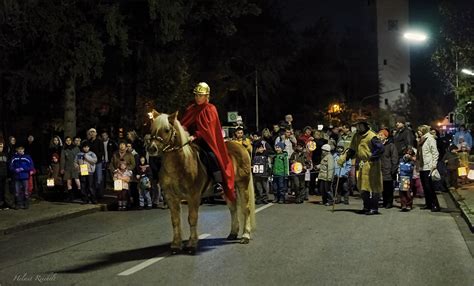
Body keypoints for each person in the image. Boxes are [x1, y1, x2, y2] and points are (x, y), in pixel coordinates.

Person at [180, 82, 235, 199]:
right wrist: (182, 130)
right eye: (196, 95)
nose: (198, 98)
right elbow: (185, 123)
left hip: (205, 140)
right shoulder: (192, 108)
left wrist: (195, 136)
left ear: (206, 96)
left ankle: (217, 183)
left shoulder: (210, 109)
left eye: (200, 95)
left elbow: (208, 129)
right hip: (189, 140)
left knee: (211, 155)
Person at [340, 121, 384, 215]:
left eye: (360, 125)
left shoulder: (372, 136)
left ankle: (374, 208)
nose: (358, 127)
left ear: (365, 126)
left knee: (373, 187)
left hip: (373, 164)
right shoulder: (356, 136)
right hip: (362, 164)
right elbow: (352, 149)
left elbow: (380, 148)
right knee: (363, 187)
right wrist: (344, 158)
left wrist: (372, 158)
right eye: (357, 126)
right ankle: (366, 206)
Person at [417, 125, 440, 212]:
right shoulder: (421, 139)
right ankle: (428, 203)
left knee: (429, 186)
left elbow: (435, 152)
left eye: (419, 130)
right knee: (425, 186)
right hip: (422, 166)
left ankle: (435, 204)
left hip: (428, 165)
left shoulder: (430, 139)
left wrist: (434, 164)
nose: (418, 132)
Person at [378, 129, 398, 209]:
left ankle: (389, 202)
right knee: (382, 186)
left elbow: (394, 157)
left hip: (388, 168)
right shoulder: (378, 145)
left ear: (385, 136)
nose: (379, 136)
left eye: (381, 135)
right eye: (379, 134)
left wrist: (394, 168)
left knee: (388, 187)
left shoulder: (390, 145)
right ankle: (384, 201)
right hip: (380, 168)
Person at [86, 128, 105, 199]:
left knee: (98, 178)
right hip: (90, 163)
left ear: (96, 133)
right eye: (91, 132)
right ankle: (91, 194)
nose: (92, 133)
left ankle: (99, 194)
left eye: (93, 132)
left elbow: (102, 152)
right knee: (91, 178)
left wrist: (95, 157)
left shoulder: (99, 142)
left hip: (98, 162)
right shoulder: (88, 142)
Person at [60, 136, 81, 202]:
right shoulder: (64, 149)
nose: (68, 141)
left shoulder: (76, 148)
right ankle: (70, 197)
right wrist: (62, 168)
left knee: (77, 181)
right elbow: (62, 159)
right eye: (67, 140)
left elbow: (80, 157)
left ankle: (81, 195)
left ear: (71, 141)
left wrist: (80, 165)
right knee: (69, 182)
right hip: (68, 167)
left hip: (75, 166)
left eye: (69, 140)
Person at [0, 142, 8, 209]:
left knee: (3, 190)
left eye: (2, 147)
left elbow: (6, 164)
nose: (1, 148)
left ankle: (3, 203)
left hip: (4, 174)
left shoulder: (4, 154)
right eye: (0, 146)